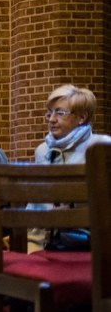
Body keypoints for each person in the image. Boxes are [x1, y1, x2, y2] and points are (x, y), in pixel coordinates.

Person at [28, 84, 111, 252]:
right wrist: (32, 249)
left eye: (60, 113)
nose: (51, 119)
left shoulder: (101, 147)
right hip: (48, 243)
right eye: (49, 113)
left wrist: (73, 208)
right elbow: (36, 206)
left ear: (81, 117)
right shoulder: (42, 151)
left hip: (96, 244)